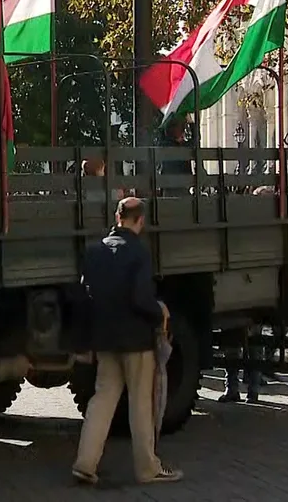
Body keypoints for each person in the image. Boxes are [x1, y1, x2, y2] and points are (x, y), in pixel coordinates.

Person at [72, 197, 181, 486]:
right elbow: (140, 298)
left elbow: (86, 293)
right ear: (140, 220)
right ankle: (148, 468)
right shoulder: (139, 253)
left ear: (117, 217)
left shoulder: (95, 251)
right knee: (140, 405)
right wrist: (160, 311)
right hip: (136, 342)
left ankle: (85, 462)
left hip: (106, 339)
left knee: (102, 399)